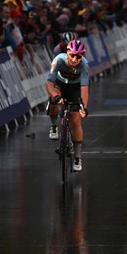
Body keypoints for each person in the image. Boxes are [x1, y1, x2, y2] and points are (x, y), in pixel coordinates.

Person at [46, 40, 90, 172]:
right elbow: (49, 84)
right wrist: (56, 96)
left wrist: (83, 107)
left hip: (75, 88)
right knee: (53, 99)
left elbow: (84, 89)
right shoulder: (58, 60)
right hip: (60, 84)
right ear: (67, 53)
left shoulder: (84, 65)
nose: (75, 59)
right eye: (72, 55)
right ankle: (54, 126)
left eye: (79, 57)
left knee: (76, 121)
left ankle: (77, 157)